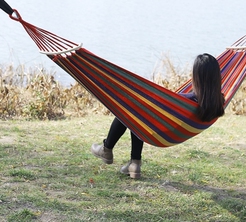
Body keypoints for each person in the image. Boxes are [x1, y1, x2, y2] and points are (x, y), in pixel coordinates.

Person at [91, 53, 225, 179]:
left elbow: (165, 102)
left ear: (197, 77)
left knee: (133, 109)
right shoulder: (219, 101)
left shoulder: (187, 99)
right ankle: (134, 164)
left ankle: (107, 149)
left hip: (163, 129)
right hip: (176, 131)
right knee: (137, 110)